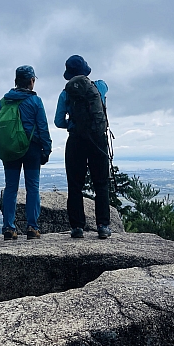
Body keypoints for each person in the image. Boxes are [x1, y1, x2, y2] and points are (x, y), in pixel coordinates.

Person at [54, 55, 111, 239]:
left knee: (75, 184)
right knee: (101, 183)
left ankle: (77, 227)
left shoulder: (65, 93)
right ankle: (103, 226)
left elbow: (58, 121)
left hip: (76, 140)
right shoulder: (99, 86)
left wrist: (73, 124)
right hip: (97, 139)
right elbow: (104, 91)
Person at [0, 65, 52, 240]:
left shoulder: (4, 101)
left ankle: (8, 227)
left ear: (16, 81)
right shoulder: (35, 101)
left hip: (10, 150)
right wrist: (47, 149)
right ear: (31, 81)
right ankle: (32, 228)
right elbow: (43, 127)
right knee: (32, 187)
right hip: (31, 149)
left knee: (10, 188)